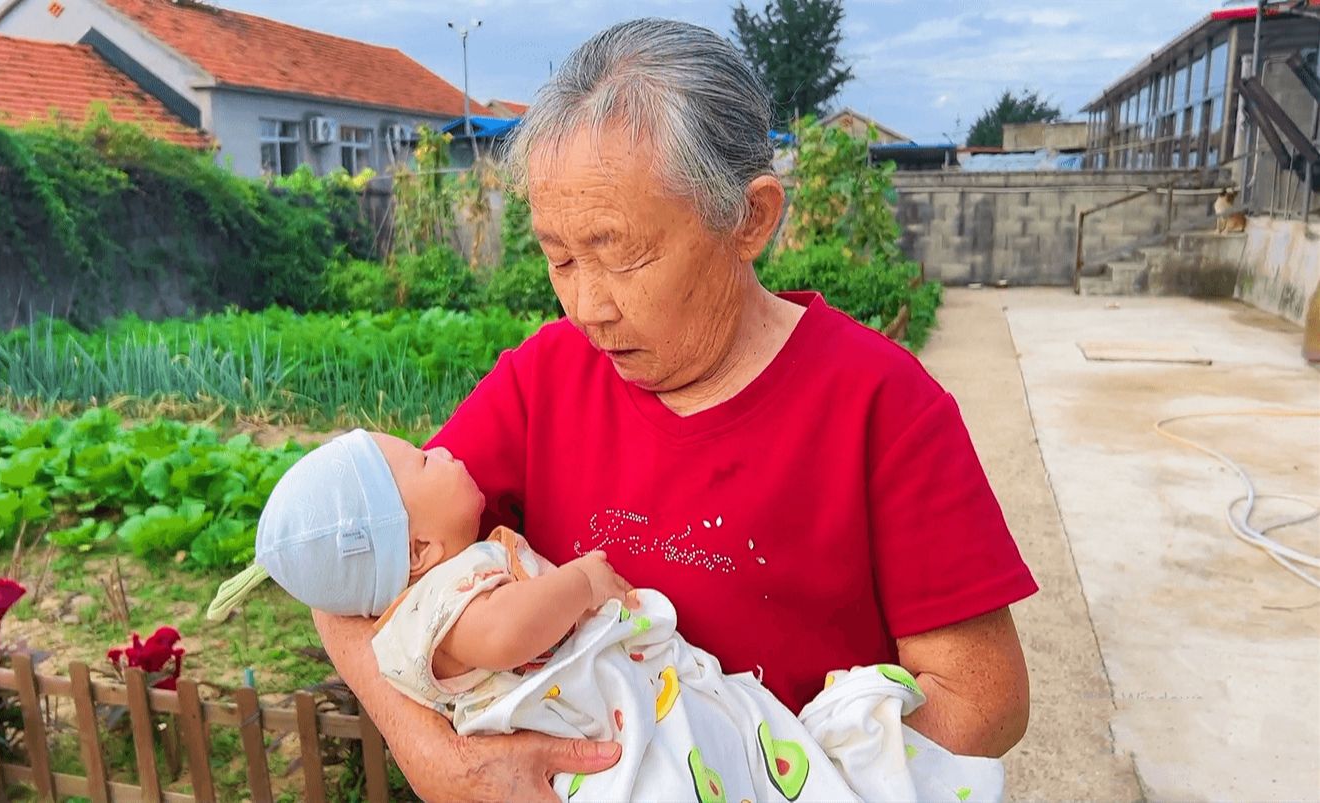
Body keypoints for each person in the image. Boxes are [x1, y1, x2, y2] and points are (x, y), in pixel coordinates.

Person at [314, 18, 1036, 802]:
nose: (588, 306)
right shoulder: (544, 379)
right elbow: (350, 565)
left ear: (748, 217)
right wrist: (433, 754)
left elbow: (982, 698)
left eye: (621, 252)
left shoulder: (880, 404)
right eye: (557, 256)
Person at [256, 428, 1005, 802]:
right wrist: (580, 581)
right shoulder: (436, 607)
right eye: (422, 461)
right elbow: (501, 631)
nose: (442, 448)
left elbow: (988, 701)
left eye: (619, 249)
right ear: (417, 548)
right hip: (614, 746)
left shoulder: (438, 569)